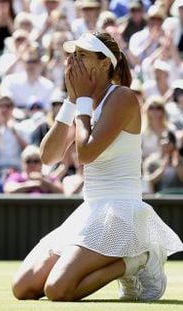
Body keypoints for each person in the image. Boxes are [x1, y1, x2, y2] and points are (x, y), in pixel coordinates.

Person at [11, 32, 183, 302]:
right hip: (91, 210)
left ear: (105, 64)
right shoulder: (80, 103)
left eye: (83, 55)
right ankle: (130, 260)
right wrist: (71, 101)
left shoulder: (123, 97)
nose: (74, 62)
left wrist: (80, 102)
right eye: (73, 55)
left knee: (58, 290)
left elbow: (86, 153)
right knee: (23, 287)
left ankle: (136, 261)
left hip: (121, 213)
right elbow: (48, 157)